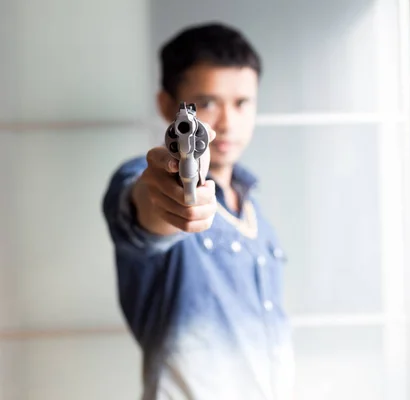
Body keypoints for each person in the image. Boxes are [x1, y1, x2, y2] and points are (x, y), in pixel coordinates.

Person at [102, 22, 294, 400]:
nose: (227, 123)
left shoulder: (254, 211)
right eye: (207, 103)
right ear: (165, 105)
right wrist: (169, 193)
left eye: (241, 103)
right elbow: (146, 205)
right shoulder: (146, 178)